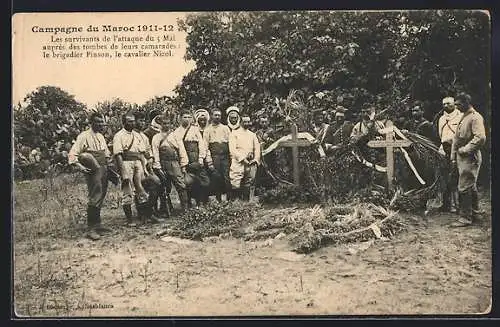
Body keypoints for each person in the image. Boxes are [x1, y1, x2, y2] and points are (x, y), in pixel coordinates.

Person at [68, 112, 111, 241]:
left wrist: (110, 167)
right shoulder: (83, 136)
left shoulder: (101, 136)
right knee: (95, 195)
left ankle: (97, 225)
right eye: (97, 122)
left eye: (101, 122)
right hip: (93, 169)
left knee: (102, 195)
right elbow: (73, 154)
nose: (100, 124)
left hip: (103, 167)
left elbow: (106, 154)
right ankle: (90, 229)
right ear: (91, 123)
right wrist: (81, 167)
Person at [450, 93, 486, 227]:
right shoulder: (464, 117)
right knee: (471, 185)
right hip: (462, 156)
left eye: (459, 104)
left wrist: (465, 150)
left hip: (470, 157)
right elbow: (456, 138)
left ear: (466, 103)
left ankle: (465, 217)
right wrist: (453, 157)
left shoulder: (475, 117)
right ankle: (475, 212)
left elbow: (480, 138)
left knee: (464, 187)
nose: (457, 107)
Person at [113, 113, 151, 227]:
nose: (132, 123)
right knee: (127, 190)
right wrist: (123, 172)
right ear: (123, 122)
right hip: (126, 163)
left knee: (141, 188)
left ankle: (143, 216)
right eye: (129, 121)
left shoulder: (137, 135)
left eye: (133, 121)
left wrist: (146, 164)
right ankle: (129, 220)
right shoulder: (119, 135)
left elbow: (143, 151)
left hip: (138, 162)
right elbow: (118, 154)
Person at [171, 110, 212, 206]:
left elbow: (201, 145)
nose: (187, 119)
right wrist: (183, 165)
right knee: (188, 182)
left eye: (189, 117)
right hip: (185, 160)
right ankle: (189, 203)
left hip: (197, 158)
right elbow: (179, 148)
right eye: (185, 117)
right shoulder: (177, 132)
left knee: (204, 181)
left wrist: (201, 159)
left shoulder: (195, 129)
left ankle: (202, 202)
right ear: (180, 118)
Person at [151, 114, 190, 213]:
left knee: (181, 185)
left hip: (174, 163)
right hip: (163, 164)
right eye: (164, 123)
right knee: (165, 187)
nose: (166, 125)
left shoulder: (175, 136)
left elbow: (181, 150)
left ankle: (185, 208)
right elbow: (155, 153)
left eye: (168, 123)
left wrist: (183, 165)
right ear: (160, 124)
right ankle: (165, 208)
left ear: (171, 124)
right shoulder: (156, 137)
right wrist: (158, 167)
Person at [134, 111, 164, 223]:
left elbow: (148, 150)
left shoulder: (143, 136)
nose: (141, 123)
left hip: (146, 166)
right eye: (139, 120)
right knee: (138, 189)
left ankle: (148, 211)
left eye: (143, 120)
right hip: (134, 165)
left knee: (156, 183)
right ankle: (142, 214)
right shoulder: (129, 135)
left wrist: (150, 159)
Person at [143, 114, 173, 215]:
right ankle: (154, 208)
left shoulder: (167, 133)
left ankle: (164, 206)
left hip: (164, 160)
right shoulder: (147, 132)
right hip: (154, 161)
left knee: (166, 184)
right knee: (157, 185)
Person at [437, 96, 462, 213]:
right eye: (444, 104)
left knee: (455, 178)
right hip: (444, 150)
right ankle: (446, 204)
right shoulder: (441, 119)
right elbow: (440, 134)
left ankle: (457, 205)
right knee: (444, 177)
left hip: (457, 150)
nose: (446, 106)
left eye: (448, 103)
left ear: (455, 104)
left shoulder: (461, 116)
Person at [229, 115, 261, 201]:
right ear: (240, 122)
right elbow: (232, 149)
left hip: (250, 162)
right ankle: (235, 202)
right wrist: (243, 159)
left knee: (249, 181)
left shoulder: (252, 135)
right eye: (245, 122)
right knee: (235, 181)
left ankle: (246, 202)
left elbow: (257, 148)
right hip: (238, 162)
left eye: (248, 122)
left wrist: (255, 159)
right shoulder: (234, 133)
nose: (247, 123)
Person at [203, 109, 231, 202]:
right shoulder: (207, 130)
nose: (217, 117)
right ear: (211, 116)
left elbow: (230, 143)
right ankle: (218, 200)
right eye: (215, 115)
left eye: (219, 115)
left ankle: (229, 200)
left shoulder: (225, 128)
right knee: (216, 178)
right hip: (215, 157)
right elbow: (205, 147)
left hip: (225, 156)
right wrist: (209, 161)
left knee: (227, 177)